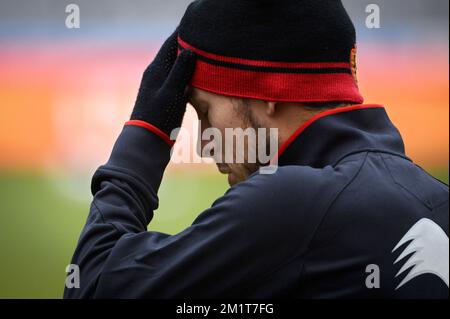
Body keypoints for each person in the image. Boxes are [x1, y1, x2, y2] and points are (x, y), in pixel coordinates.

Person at [64, 0, 449, 298]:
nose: (204, 144)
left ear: (270, 93)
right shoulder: (435, 197)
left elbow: (92, 286)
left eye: (203, 111)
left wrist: (146, 133)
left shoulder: (290, 205)